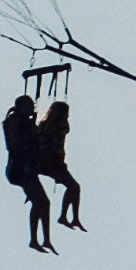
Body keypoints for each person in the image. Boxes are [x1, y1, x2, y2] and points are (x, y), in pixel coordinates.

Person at [2, 92, 54, 252]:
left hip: (27, 169)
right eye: (29, 106)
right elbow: (14, 144)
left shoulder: (25, 122)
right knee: (41, 201)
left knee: (43, 202)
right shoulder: (15, 121)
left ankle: (44, 239)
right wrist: (31, 132)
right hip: (19, 169)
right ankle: (35, 239)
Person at [36, 97, 83, 231]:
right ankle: (67, 217)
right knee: (74, 187)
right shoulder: (58, 126)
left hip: (49, 162)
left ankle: (70, 217)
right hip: (52, 162)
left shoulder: (45, 125)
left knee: (74, 187)